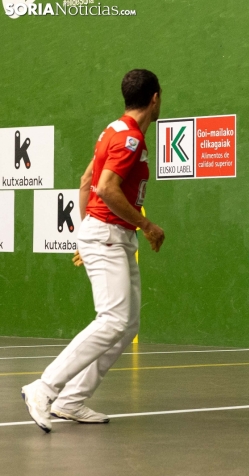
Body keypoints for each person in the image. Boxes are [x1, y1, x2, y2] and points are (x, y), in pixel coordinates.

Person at [21, 69, 166, 432]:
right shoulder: (130, 140)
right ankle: (43, 388)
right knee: (113, 320)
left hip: (106, 234)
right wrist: (147, 225)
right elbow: (105, 188)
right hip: (109, 234)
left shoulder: (111, 131)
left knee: (127, 324)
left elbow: (86, 181)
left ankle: (71, 401)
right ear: (155, 99)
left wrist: (85, 229)